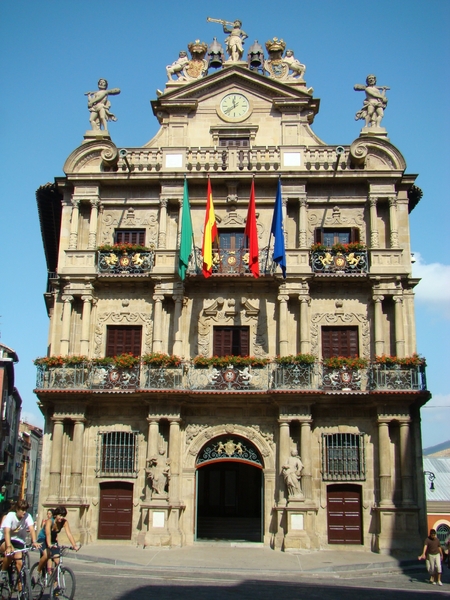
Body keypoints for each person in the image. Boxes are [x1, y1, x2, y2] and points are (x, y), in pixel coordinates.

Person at [0, 499, 41, 588]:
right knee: (10, 553)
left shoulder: (27, 516)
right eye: (22, 510)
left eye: (25, 510)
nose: (24, 512)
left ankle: (21, 590)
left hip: (18, 541)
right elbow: (6, 532)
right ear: (17, 510)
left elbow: (31, 528)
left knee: (19, 563)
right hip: (6, 539)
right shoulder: (10, 516)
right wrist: (8, 546)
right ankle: (3, 571)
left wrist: (34, 541)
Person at [34, 506, 79, 581]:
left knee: (57, 562)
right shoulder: (49, 521)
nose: (61, 518)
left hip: (53, 540)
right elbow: (48, 534)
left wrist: (74, 545)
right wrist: (49, 545)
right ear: (55, 515)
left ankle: (55, 586)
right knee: (46, 555)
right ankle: (38, 571)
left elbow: (69, 534)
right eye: (60, 515)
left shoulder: (64, 522)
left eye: (63, 516)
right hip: (43, 538)